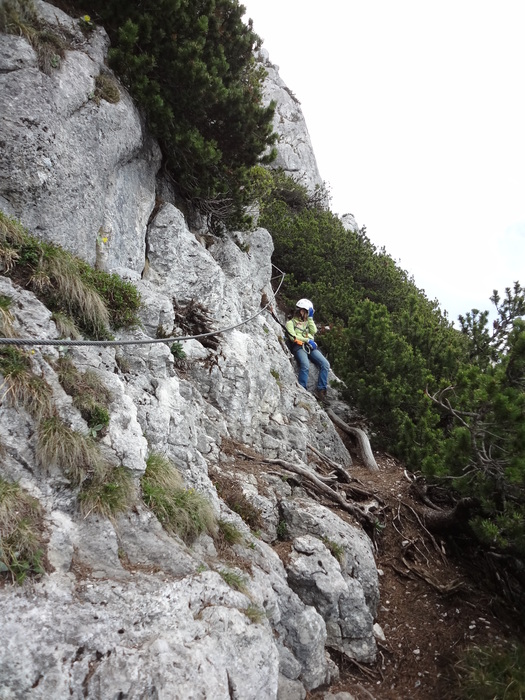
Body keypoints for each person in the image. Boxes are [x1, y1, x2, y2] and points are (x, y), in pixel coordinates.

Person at [285, 298, 330, 400]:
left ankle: (321, 390)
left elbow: (313, 331)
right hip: (299, 346)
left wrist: (310, 319)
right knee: (305, 365)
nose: (309, 314)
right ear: (302, 311)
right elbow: (293, 337)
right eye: (308, 312)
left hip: (310, 346)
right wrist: (307, 339)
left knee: (325, 364)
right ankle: (302, 389)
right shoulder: (290, 323)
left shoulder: (307, 323)